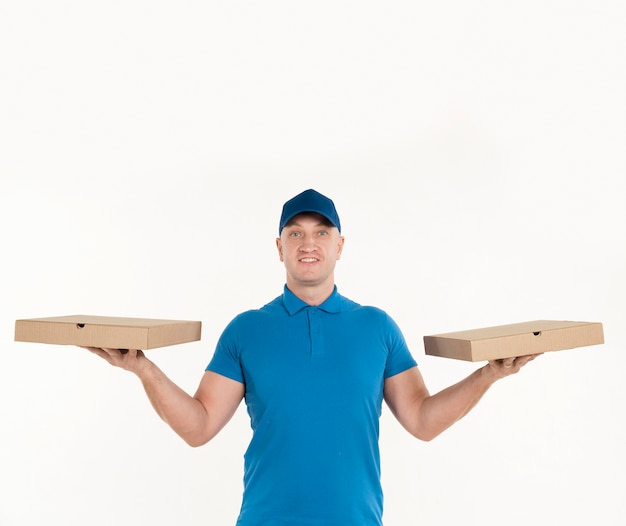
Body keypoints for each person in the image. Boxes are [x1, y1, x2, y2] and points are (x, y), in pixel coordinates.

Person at [84, 188, 539, 526]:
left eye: (322, 232)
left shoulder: (377, 327)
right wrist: (142, 367)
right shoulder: (247, 329)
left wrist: (488, 375)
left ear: (340, 246)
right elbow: (199, 426)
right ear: (278, 246)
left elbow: (421, 420)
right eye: (296, 232)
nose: (309, 243)